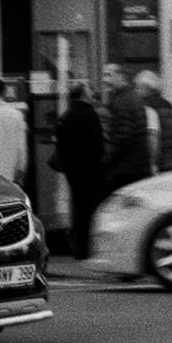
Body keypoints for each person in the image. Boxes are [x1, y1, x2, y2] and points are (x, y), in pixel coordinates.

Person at [50, 83, 105, 259]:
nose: (92, 94)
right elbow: (98, 146)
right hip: (90, 169)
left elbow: (60, 144)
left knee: (77, 205)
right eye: (89, 91)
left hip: (72, 170)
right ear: (83, 95)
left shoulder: (66, 116)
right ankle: (88, 247)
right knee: (90, 208)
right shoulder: (91, 115)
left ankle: (78, 246)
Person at [99, 66, 153, 196]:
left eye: (108, 75)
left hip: (125, 170)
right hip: (137, 167)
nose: (104, 80)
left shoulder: (121, 101)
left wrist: (105, 159)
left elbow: (123, 136)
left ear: (121, 77)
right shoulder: (133, 97)